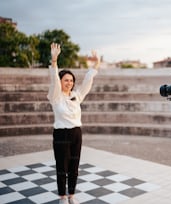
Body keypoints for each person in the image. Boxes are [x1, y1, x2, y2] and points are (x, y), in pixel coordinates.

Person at [47, 43, 100, 204]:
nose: (69, 83)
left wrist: (96, 64)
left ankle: (71, 195)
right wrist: (54, 61)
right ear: (61, 81)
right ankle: (62, 197)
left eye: (71, 80)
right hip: (61, 133)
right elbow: (54, 81)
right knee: (62, 166)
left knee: (74, 166)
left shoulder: (77, 95)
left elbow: (87, 81)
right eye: (65, 80)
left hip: (76, 133)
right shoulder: (55, 96)